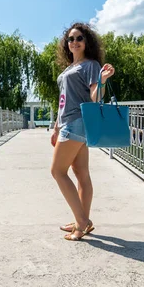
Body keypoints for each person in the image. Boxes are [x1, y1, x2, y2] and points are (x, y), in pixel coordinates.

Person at [50, 22, 115, 241]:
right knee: (81, 174)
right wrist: (56, 128)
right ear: (66, 44)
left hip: (77, 121)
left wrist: (102, 80)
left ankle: (82, 222)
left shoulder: (90, 65)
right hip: (68, 122)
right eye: (71, 39)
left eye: (79, 38)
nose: (75, 42)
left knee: (57, 171)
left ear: (86, 42)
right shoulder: (69, 68)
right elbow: (63, 101)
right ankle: (82, 221)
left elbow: (95, 96)